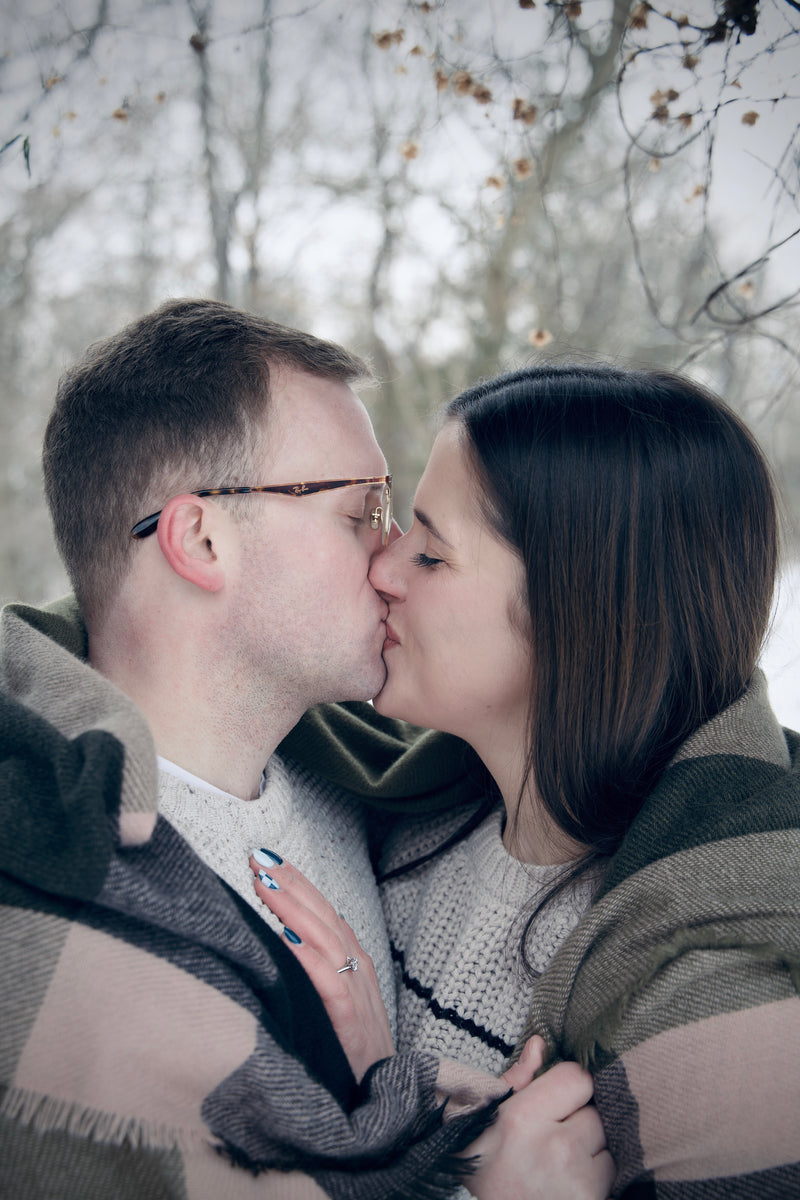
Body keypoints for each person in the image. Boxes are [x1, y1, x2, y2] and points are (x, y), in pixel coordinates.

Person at [0, 302, 612, 1199]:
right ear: (202, 539)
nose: (395, 552)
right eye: (363, 508)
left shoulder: (361, 785)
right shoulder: (65, 913)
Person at [251, 363, 800, 1197]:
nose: (385, 568)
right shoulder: (416, 813)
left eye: (432, 553)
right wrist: (384, 1087)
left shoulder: (715, 993)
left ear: (581, 612)